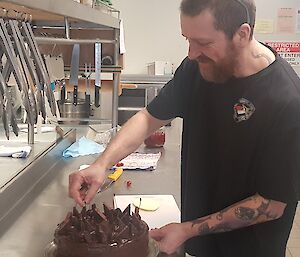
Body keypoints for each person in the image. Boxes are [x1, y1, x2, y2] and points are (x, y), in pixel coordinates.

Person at [69, 0, 300, 256]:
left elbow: (272, 203)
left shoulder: (286, 100)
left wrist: (188, 230)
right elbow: (149, 117)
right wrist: (102, 164)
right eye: (187, 39)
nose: (191, 53)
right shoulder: (197, 68)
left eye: (203, 43)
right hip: (200, 246)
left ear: (242, 34)